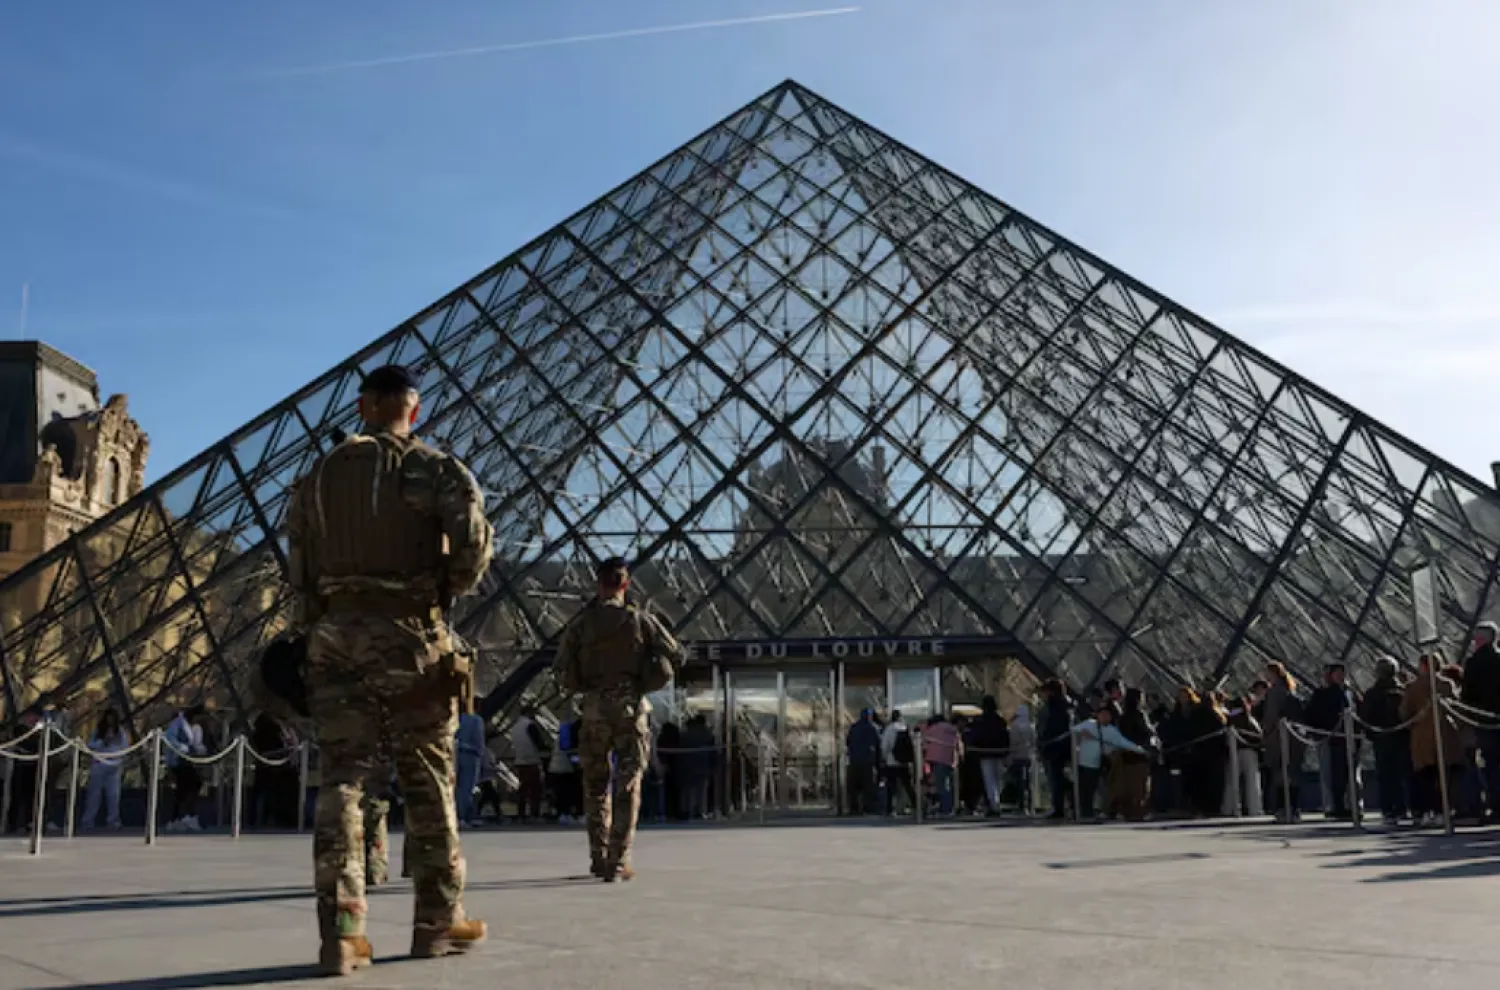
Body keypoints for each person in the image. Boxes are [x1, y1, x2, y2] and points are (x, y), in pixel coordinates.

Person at [285, 363, 494, 975]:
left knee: (342, 782)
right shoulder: (433, 467)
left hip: (333, 638)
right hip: (410, 637)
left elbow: (298, 568)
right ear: (414, 409)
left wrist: (326, 617)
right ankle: (436, 922)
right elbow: (474, 548)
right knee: (430, 782)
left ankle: (343, 932)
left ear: (364, 406)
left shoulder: (316, 477)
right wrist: (442, 594)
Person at [555, 556, 683, 881]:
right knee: (628, 784)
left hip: (595, 710)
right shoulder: (641, 620)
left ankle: (598, 856)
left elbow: (561, 669)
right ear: (625, 584)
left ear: (598, 584)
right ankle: (618, 858)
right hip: (631, 710)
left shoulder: (580, 625)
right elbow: (676, 654)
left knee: (595, 786)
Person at [1072, 705, 1148, 820]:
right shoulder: (1088, 724)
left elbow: (1123, 742)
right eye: (1102, 714)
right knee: (1085, 788)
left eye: (1108, 715)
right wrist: (1081, 734)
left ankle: (1105, 810)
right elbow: (1073, 731)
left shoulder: (1111, 731)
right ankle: (1084, 812)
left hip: (1102, 763)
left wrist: (1141, 750)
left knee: (1105, 787)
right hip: (1085, 762)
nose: (1105, 717)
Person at [1359, 657, 1410, 825]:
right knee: (1403, 774)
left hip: (1381, 739)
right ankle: (1403, 808)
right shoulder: (1404, 691)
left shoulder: (1372, 694)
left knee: (1385, 776)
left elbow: (1366, 718)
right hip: (1402, 738)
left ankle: (1389, 809)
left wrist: (1373, 734)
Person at [1460, 622, 1500, 821]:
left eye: (1476, 638)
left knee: (1491, 764)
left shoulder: (1474, 663)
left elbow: (1467, 694)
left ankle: (1496, 805)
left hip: (1483, 719)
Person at [81, 709, 130, 831]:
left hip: (114, 765)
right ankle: (88, 820)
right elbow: (91, 745)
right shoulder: (98, 731)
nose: (110, 721)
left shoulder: (120, 732)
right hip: (99, 764)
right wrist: (103, 742)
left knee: (113, 795)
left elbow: (124, 747)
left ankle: (113, 820)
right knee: (94, 794)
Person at [164, 705, 207, 832]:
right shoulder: (178, 724)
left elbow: (196, 744)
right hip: (178, 761)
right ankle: (188, 816)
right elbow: (171, 740)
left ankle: (176, 819)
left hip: (188, 760)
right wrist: (185, 749)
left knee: (182, 790)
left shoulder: (195, 727)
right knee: (193, 784)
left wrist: (200, 750)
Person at [971, 696, 1010, 815]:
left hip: (985, 752)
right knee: (998, 779)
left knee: (989, 780)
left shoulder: (979, 721)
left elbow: (975, 736)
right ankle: (996, 802)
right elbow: (1006, 736)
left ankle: (994, 804)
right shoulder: (1001, 721)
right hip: (999, 752)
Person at [509, 705, 547, 822]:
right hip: (532, 760)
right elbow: (539, 743)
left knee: (523, 789)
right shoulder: (529, 725)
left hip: (519, 760)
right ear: (529, 713)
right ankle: (534, 814)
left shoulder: (515, 727)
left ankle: (521, 813)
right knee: (535, 789)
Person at [844, 708, 882, 815]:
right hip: (867, 761)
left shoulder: (854, 727)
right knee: (868, 787)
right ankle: (867, 808)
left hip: (854, 761)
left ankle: (853, 808)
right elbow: (878, 745)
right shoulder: (872, 728)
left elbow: (847, 742)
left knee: (853, 788)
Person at [454, 709, 486, 828]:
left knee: (457, 786)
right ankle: (464, 815)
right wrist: (481, 755)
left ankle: (458, 814)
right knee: (468, 786)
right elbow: (479, 740)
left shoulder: (454, 719)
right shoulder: (476, 720)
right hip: (471, 754)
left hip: (455, 753)